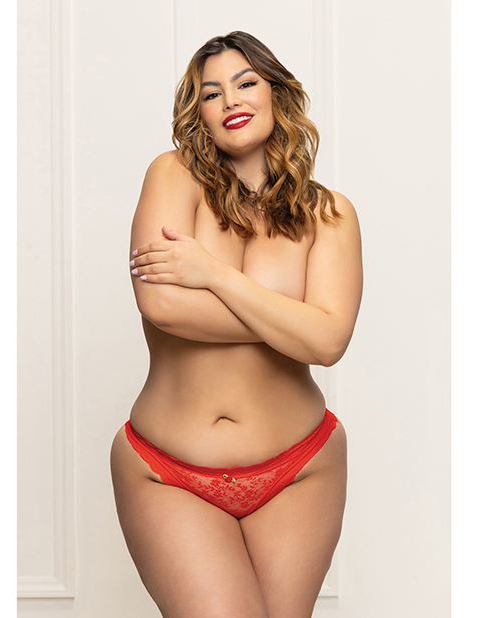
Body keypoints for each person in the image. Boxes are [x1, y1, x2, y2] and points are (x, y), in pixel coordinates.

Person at [111, 31, 362, 618]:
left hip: (300, 469)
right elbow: (162, 306)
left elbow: (329, 343)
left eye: (246, 83)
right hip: (168, 472)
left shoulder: (330, 214)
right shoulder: (172, 175)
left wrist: (214, 276)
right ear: (198, 110)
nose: (230, 100)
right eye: (211, 92)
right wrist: (295, 320)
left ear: (276, 93)